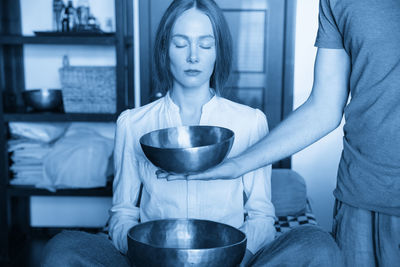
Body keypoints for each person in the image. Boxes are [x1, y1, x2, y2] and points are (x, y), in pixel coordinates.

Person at [41, 1, 342, 266]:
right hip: (152, 261)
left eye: (205, 44)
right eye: (181, 44)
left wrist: (238, 259)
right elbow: (122, 213)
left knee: (317, 244)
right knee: (62, 249)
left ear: (217, 52)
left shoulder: (250, 122)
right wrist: (145, 254)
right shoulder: (133, 123)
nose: (193, 57)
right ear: (164, 49)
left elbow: (261, 215)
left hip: (232, 261)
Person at [183, 0, 400, 266]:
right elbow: (324, 107)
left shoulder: (249, 120)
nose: (192, 56)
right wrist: (237, 165)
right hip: (359, 201)